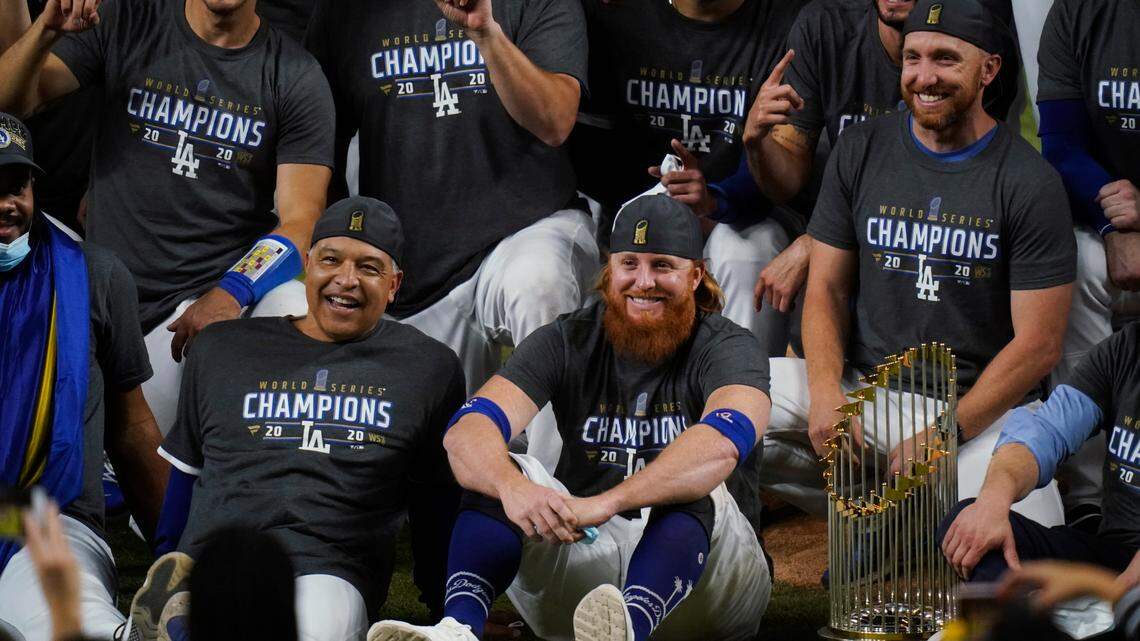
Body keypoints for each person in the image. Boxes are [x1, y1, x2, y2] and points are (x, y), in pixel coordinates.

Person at [370, 194, 772, 641]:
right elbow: (467, 434)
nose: (643, 281)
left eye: (663, 265)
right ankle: (457, 628)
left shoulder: (728, 347)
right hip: (590, 582)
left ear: (695, 275)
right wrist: (512, 487)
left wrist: (609, 502)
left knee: (695, 483)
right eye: (629, 264)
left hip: (710, 584)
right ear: (609, 268)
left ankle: (630, 629)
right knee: (504, 469)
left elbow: (720, 443)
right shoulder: (567, 338)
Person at [758, 0, 1075, 524]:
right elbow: (828, 290)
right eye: (913, 58)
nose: (924, 77)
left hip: (977, 413)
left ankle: (889, 530)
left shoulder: (1029, 181)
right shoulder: (860, 148)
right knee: (733, 401)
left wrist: (945, 433)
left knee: (1016, 551)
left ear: (989, 69)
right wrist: (824, 393)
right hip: (869, 390)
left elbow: (1038, 345)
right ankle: (875, 526)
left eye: (946, 59)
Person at [0, 0, 336, 439]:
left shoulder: (294, 75)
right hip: (101, 299)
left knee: (295, 308)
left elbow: (301, 222)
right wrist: (45, 31)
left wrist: (230, 293)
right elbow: (10, 106)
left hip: (196, 307)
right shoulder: (128, 21)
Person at [142, 196, 466, 641]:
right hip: (216, 556)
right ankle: (162, 623)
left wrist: (447, 610)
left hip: (331, 566)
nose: (346, 280)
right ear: (308, 265)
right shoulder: (224, 348)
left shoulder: (429, 366)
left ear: (394, 284)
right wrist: (167, 569)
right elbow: (186, 476)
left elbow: (435, 501)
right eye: (330, 260)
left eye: (369, 268)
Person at [305, 0, 599, 474]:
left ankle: (560, 492)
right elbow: (320, 141)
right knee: (422, 469)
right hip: (417, 261)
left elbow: (555, 120)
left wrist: (486, 34)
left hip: (528, 227)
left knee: (538, 282)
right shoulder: (344, 12)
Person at [742, 0, 1022, 333]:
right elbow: (787, 181)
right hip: (833, 223)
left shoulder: (974, 33)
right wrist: (757, 142)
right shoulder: (826, 25)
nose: (925, 74)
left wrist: (816, 242)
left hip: (934, 230)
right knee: (745, 251)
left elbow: (952, 182)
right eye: (913, 59)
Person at [0, 113, 167, 641]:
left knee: (70, 623)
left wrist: (176, 548)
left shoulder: (93, 274)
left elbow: (131, 429)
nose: (7, 203)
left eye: (16, 185)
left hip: (44, 516)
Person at [572, 0, 805, 358]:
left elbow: (781, 169)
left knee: (746, 251)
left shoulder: (787, 24)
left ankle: (743, 394)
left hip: (745, 211)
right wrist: (655, 208)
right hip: (635, 206)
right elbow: (592, 155)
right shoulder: (619, 20)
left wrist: (715, 201)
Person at [1036, 0, 1140, 525]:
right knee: (1075, 266)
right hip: (1109, 217)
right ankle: (1089, 497)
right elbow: (1060, 143)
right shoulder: (1079, 10)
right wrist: (1113, 223)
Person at [938, 322, 1140, 583]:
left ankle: (1035, 618)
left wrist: (1116, 598)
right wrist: (992, 502)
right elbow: (1046, 431)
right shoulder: (1124, 349)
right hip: (1116, 556)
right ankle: (1030, 616)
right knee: (967, 527)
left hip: (1128, 580)